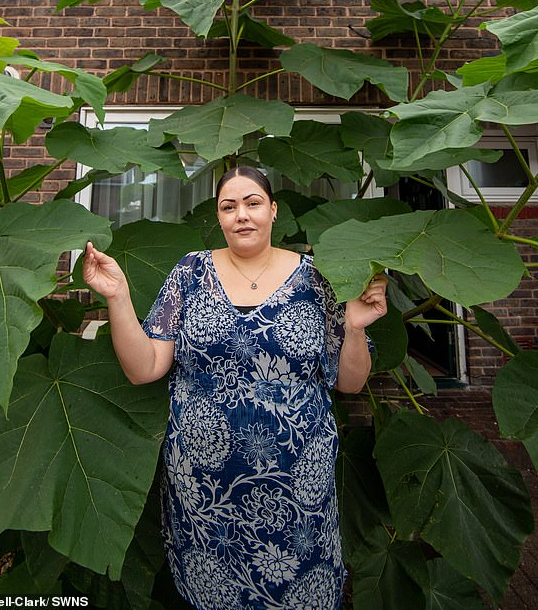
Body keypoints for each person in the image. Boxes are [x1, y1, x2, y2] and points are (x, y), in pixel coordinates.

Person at [83, 165, 388, 610]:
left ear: (273, 211)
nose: (241, 215)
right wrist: (117, 296)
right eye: (229, 206)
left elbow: (350, 382)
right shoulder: (190, 274)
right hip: (206, 490)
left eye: (252, 203)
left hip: (297, 489)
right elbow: (144, 367)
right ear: (220, 217)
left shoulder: (315, 278)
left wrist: (356, 328)